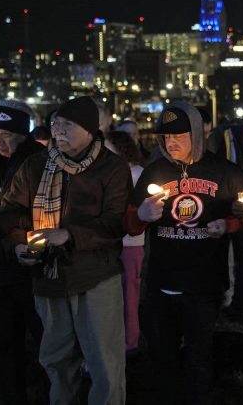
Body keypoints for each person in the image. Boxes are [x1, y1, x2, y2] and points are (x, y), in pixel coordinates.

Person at [0, 95, 132, 405]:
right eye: (55, 124)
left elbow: (114, 224)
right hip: (48, 275)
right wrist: (18, 244)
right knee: (55, 360)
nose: (58, 132)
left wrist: (68, 234)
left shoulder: (111, 168)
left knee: (104, 363)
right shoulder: (36, 164)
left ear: (89, 130)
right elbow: (8, 212)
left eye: (67, 125)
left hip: (96, 275)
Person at [124, 102, 243, 404]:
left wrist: (231, 222)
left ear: (196, 133)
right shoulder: (154, 171)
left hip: (203, 285)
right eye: (165, 137)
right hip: (160, 283)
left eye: (178, 136)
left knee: (199, 360)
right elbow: (129, 224)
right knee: (163, 360)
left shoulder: (224, 171)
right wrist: (141, 215)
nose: (171, 143)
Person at [0, 100, 47, 404]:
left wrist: (30, 248)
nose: (1, 143)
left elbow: (45, 215)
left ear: (23, 135)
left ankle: (50, 395)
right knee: (5, 343)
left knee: (46, 342)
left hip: (30, 268)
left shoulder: (39, 163)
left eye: (9, 136)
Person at [106, 130, 146, 354]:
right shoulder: (115, 173)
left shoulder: (137, 174)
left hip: (131, 243)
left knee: (130, 293)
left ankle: (130, 341)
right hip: (113, 241)